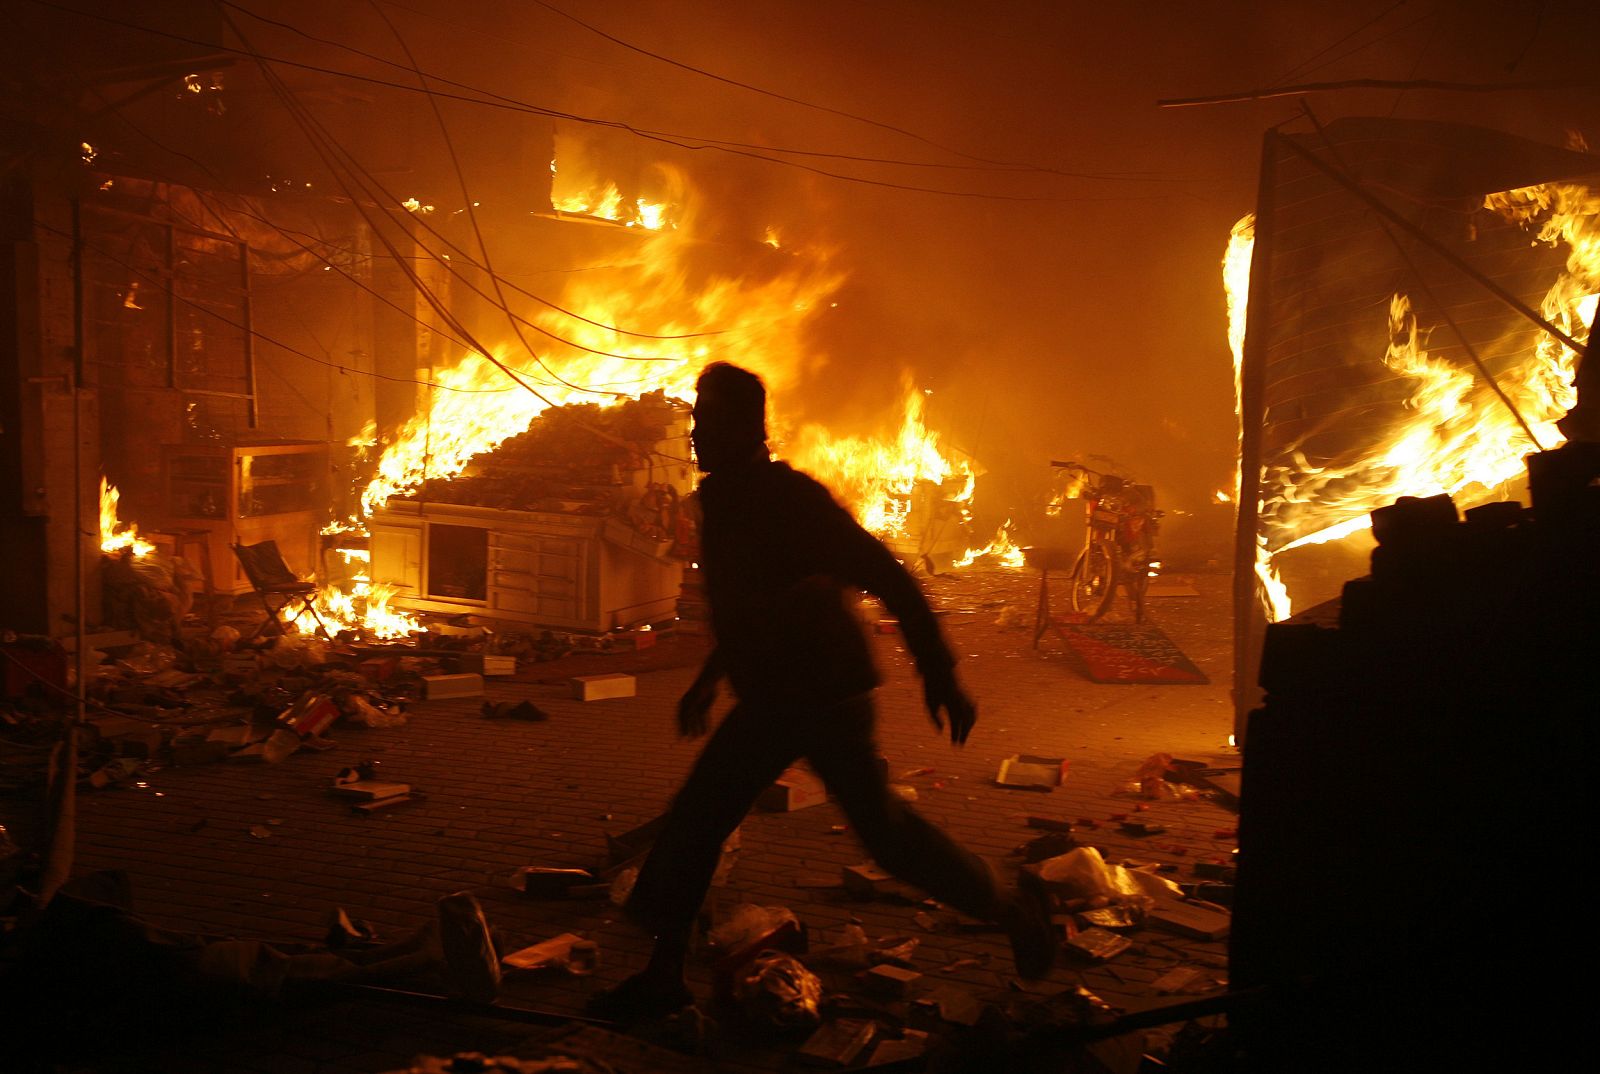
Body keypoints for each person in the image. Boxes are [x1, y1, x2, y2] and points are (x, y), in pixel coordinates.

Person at [589, 362, 1055, 1022]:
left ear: (749, 428)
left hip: (827, 694)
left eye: (710, 422)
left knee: (882, 837)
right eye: (696, 421)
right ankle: (662, 977)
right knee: (698, 821)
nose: (696, 435)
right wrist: (707, 679)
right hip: (774, 696)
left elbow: (887, 574)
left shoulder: (788, 499)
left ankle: (1012, 907)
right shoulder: (724, 501)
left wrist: (941, 673)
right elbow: (753, 607)